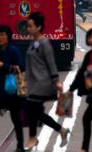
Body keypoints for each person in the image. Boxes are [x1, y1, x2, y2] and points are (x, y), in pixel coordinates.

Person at [24, 12, 70, 149]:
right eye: (28, 26)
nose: (28, 29)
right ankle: (61, 130)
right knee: (35, 112)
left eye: (30, 26)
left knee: (32, 109)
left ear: (38, 27)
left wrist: (56, 81)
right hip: (33, 84)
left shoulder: (44, 43)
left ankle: (33, 138)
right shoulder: (34, 42)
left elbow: (51, 63)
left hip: (42, 83)